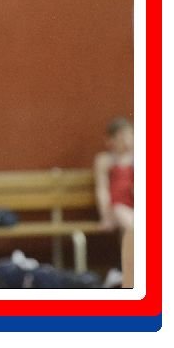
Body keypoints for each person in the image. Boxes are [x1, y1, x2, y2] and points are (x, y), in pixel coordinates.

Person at [94, 116, 134, 287]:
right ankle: (124, 270)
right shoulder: (105, 160)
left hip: (135, 204)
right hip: (118, 205)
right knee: (134, 228)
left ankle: (123, 270)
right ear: (110, 141)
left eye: (129, 135)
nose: (125, 141)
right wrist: (106, 214)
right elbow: (102, 189)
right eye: (120, 136)